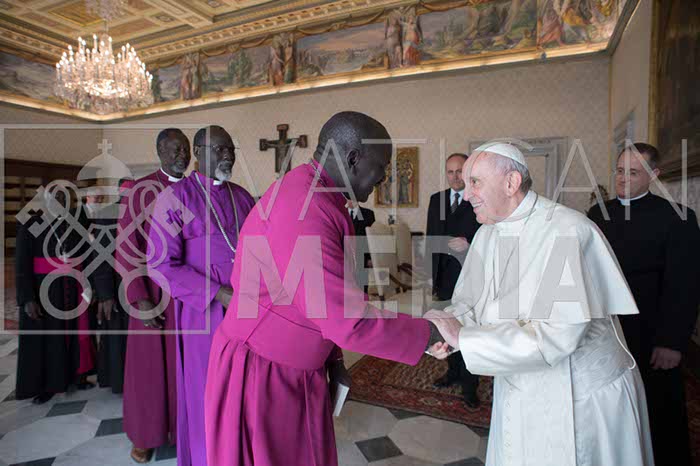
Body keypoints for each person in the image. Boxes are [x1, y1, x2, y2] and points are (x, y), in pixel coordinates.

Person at [204, 111, 454, 466]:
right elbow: (345, 318)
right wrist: (427, 334)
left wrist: (332, 357)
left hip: (294, 366)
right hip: (264, 374)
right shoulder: (305, 207)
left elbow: (325, 294)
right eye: (382, 166)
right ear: (353, 158)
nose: (383, 177)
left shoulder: (320, 194)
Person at [426, 142, 654, 466]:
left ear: (511, 182)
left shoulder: (567, 230)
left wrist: (463, 337)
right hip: (519, 384)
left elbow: (555, 337)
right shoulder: (488, 232)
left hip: (582, 399)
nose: (466, 195)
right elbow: (470, 301)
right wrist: (444, 328)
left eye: (474, 182)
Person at [148, 125, 256, 466]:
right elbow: (160, 264)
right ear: (197, 152)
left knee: (247, 389)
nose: (227, 156)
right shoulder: (176, 198)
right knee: (208, 391)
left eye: (231, 149)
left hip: (248, 310)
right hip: (204, 314)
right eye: (219, 149)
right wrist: (217, 292)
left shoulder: (242, 197)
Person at [588, 143, 700, 466]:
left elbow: (685, 286)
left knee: (658, 412)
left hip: (653, 333)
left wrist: (671, 342)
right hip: (607, 330)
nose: (623, 178)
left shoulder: (678, 218)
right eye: (620, 171)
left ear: (654, 174)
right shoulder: (598, 214)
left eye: (633, 172)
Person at [117, 129, 190, 463]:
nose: (182, 155)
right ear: (160, 151)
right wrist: (140, 298)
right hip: (152, 293)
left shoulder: (195, 189)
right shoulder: (140, 190)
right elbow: (126, 246)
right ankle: (145, 436)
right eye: (175, 150)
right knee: (149, 371)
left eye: (185, 149)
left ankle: (184, 430)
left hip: (188, 295)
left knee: (186, 368)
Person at [15, 182, 96, 404]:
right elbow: (21, 264)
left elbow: (88, 256)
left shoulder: (75, 222)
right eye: (55, 198)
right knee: (49, 340)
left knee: (76, 334)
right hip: (45, 291)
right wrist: (27, 298)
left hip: (73, 288)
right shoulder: (32, 223)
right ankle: (47, 385)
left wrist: (91, 286)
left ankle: (77, 376)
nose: (60, 201)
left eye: (64, 198)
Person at [425, 152, 481, 408]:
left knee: (468, 331)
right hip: (444, 278)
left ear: (467, 173)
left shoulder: (478, 198)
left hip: (470, 277)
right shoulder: (435, 200)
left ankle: (470, 385)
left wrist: (469, 245)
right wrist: (430, 278)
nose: (455, 176)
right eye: (450, 171)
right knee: (448, 329)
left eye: (460, 171)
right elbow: (430, 240)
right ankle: (452, 372)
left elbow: (490, 237)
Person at [85, 189, 127, 394]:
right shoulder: (108, 214)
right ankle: (117, 380)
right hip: (114, 284)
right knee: (116, 337)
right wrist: (105, 294)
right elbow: (100, 257)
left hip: (135, 283)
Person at [346, 199, 374, 290]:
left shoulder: (368, 214)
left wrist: (370, 257)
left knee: (362, 288)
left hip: (362, 257)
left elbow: (371, 239)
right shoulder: (340, 213)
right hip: (345, 258)